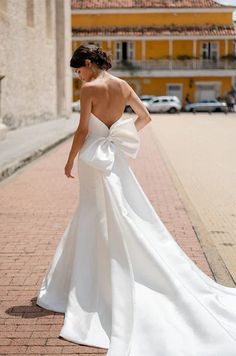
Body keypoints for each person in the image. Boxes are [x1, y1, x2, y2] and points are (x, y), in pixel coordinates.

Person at [36, 45, 236, 356]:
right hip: (113, 155)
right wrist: (119, 134)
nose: (79, 77)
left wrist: (70, 160)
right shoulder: (123, 86)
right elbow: (144, 118)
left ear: (88, 64)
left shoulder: (90, 89)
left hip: (92, 158)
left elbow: (82, 130)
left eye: (79, 70)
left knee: (93, 214)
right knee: (120, 210)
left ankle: (91, 282)